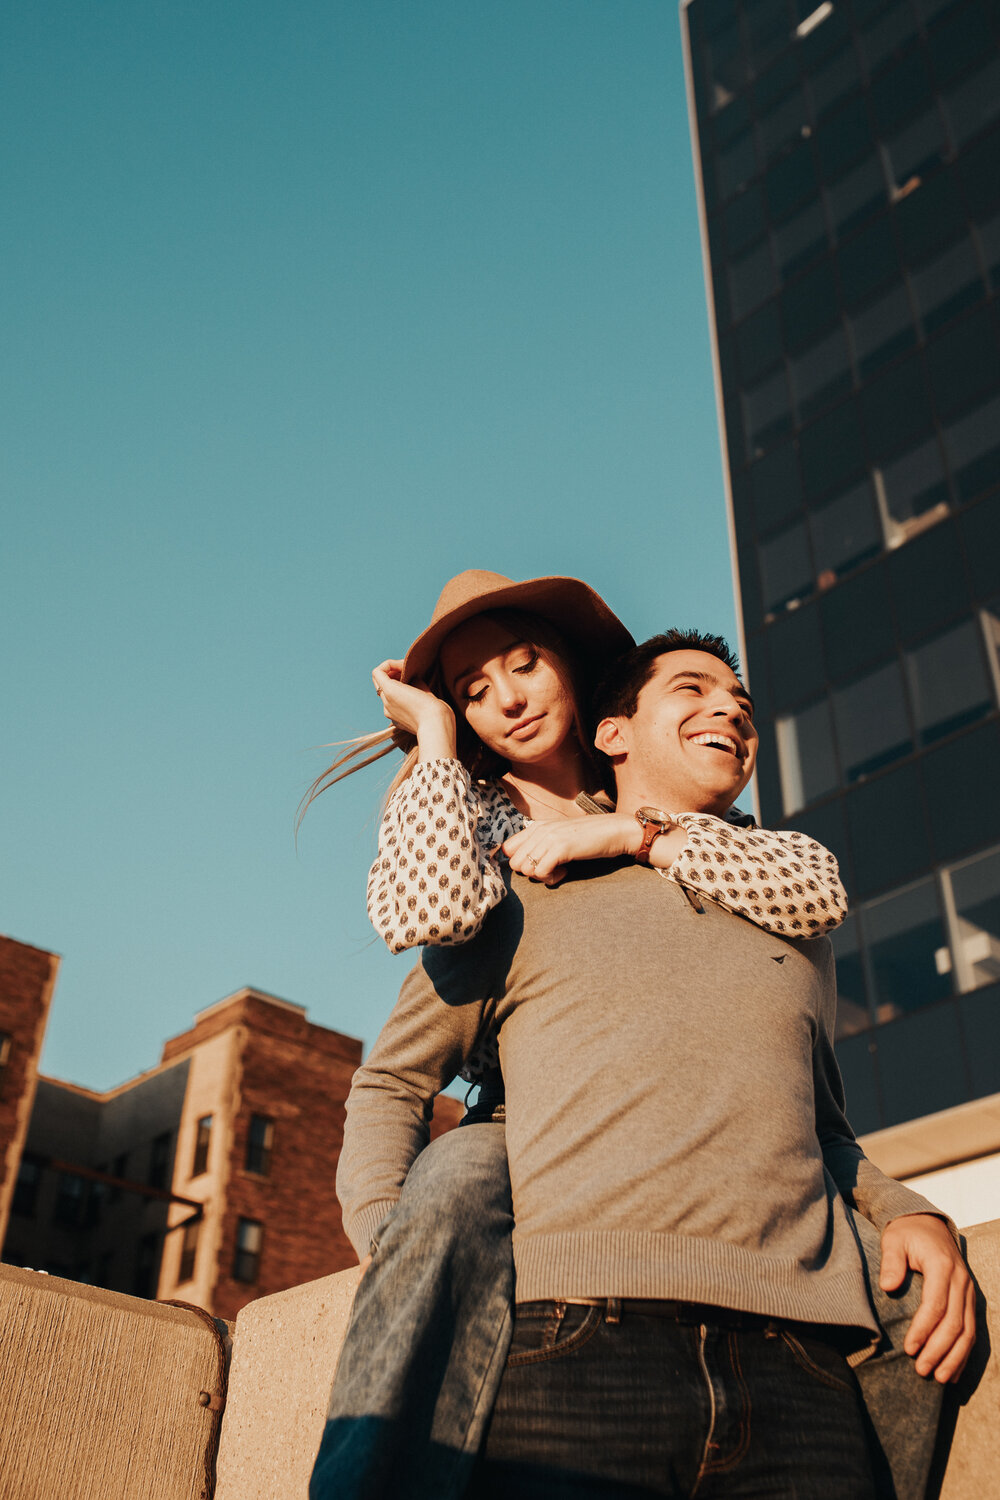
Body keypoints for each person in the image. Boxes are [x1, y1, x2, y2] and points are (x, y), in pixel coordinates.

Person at [324, 626, 975, 1499]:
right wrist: (387, 1235)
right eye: (694, 690)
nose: (729, 711)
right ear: (613, 730)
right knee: (460, 1171)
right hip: (579, 1344)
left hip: (801, 1369)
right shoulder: (520, 885)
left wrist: (910, 1211)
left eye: (739, 702)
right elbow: (394, 1078)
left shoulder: (779, 906)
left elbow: (821, 1126)